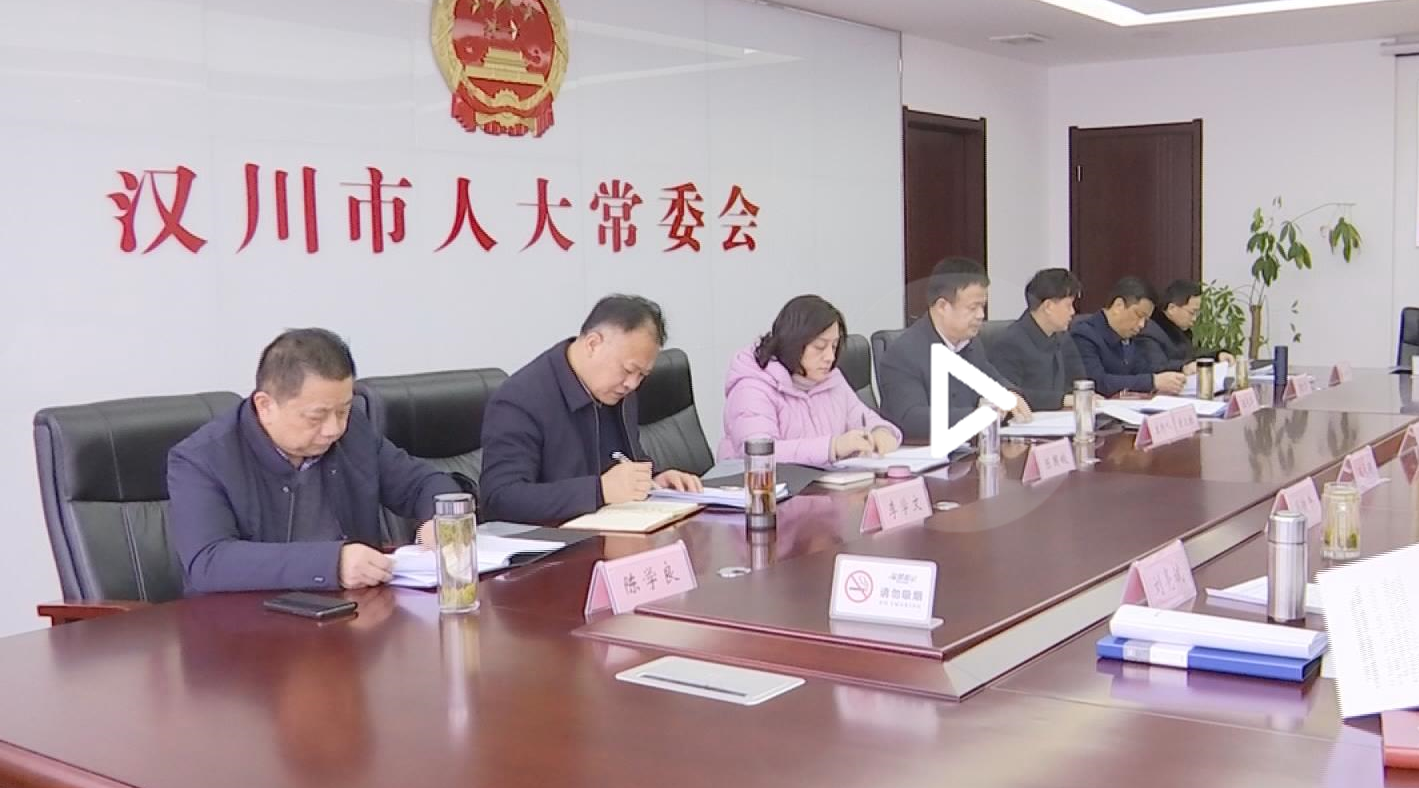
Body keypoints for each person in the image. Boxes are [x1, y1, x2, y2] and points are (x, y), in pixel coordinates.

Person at [168, 329, 461, 595]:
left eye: (344, 410)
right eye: (316, 417)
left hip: (354, 615)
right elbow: (209, 562)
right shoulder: (201, 459)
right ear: (265, 406)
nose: (334, 429)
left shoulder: (353, 432)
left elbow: (424, 483)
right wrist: (332, 564)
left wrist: (439, 521)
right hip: (246, 624)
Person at [480, 295, 702, 525]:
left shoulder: (618, 390)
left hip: (615, 532)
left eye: (642, 375)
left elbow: (621, 458)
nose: (632, 384)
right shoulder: (520, 400)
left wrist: (655, 480)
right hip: (553, 542)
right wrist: (599, 490)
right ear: (593, 344)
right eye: (628, 370)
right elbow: (500, 499)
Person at [719, 295, 901, 464]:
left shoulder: (832, 380)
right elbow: (759, 454)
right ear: (793, 344)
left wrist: (881, 432)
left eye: (834, 346)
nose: (830, 357)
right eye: (820, 347)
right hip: (758, 487)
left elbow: (865, 419)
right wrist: (833, 447)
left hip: (821, 484)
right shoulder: (752, 387)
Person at [875, 257, 1030, 441]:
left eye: (982, 306)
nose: (981, 315)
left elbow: (994, 380)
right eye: (972, 308)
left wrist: (1010, 394)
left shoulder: (971, 344)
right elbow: (911, 419)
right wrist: (978, 416)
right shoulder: (903, 354)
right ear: (942, 306)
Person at [988, 268, 1090, 409]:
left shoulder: (1062, 337)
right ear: (1048, 306)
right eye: (1068, 305)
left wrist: (1085, 395)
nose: (1073, 312)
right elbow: (1010, 394)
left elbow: (1078, 379)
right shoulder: (1009, 344)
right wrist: (1062, 400)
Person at [1071, 277, 1186, 397]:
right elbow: (1098, 383)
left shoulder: (1128, 336)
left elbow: (1143, 370)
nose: (1142, 325)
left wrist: (1176, 372)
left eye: (1146, 319)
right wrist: (1152, 382)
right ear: (1118, 306)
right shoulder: (1084, 335)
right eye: (1139, 315)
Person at [1140, 279, 1235, 373]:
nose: (1195, 318)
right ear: (1172, 308)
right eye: (1192, 312)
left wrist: (1216, 355)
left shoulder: (1179, 331)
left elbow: (1192, 354)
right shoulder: (1149, 332)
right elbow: (1157, 367)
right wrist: (1184, 367)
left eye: (1198, 313)